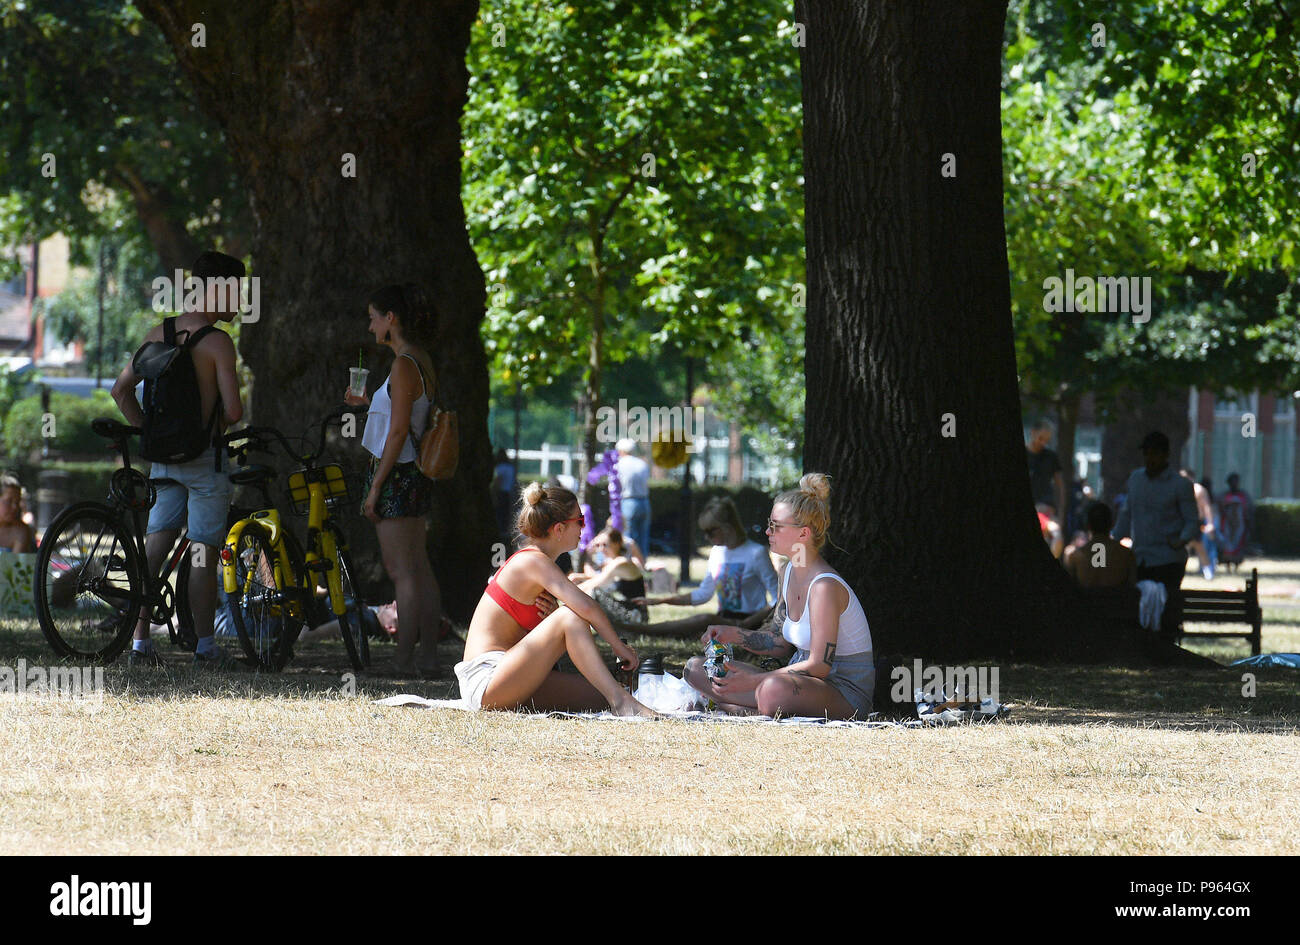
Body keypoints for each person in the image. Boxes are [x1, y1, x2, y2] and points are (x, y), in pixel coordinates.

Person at [111, 250, 245, 669]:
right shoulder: (219, 343)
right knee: (203, 552)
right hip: (205, 462)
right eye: (235, 292)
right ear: (217, 290)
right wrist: (210, 427)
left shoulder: (157, 332)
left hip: (163, 461)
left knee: (156, 545)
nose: (239, 303)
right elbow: (236, 412)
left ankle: (139, 642)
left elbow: (120, 391)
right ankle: (205, 648)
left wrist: (148, 433)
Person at [684, 474, 874, 719]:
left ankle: (735, 706)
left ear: (803, 534)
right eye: (769, 523)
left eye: (776, 526)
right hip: (799, 682)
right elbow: (778, 642)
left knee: (771, 691)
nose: (767, 531)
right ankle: (742, 705)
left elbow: (820, 666)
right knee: (695, 669)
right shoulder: (787, 572)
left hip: (843, 691)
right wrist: (732, 634)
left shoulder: (824, 587)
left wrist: (755, 679)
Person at [455, 482, 655, 716]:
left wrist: (550, 620)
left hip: (509, 674)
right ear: (559, 529)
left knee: (603, 697)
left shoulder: (540, 563)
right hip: (486, 681)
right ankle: (622, 703)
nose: (583, 527)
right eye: (579, 521)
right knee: (570, 615)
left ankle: (620, 700)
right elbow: (586, 607)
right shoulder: (532, 561)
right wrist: (619, 647)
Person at [344, 284, 443, 676]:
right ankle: (429, 657)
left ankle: (404, 661)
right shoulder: (420, 360)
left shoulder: (404, 364)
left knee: (403, 572)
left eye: (373, 317)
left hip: (397, 473)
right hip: (413, 473)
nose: (370, 327)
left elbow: (399, 431)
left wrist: (374, 487)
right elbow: (404, 417)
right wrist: (370, 403)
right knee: (420, 568)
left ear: (391, 319)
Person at [1112, 431, 1199, 640]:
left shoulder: (1180, 485)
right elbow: (1126, 515)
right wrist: (1113, 541)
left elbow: (1192, 521)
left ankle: (1166, 648)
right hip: (1140, 557)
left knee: (1166, 611)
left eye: (1155, 454)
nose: (1150, 459)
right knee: (1139, 609)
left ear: (1165, 455)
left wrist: (1181, 540)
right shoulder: (1135, 479)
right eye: (1147, 454)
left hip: (1168, 559)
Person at [636, 496, 778, 621]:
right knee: (698, 622)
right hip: (724, 618)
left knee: (703, 620)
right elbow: (703, 594)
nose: (706, 537)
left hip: (750, 620)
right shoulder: (717, 552)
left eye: (710, 531)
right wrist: (661, 601)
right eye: (704, 532)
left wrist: (749, 622)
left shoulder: (756, 553)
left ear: (727, 527)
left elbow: (777, 598)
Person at [576, 527, 647, 624]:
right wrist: (579, 576)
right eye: (597, 545)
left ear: (617, 544)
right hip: (626, 610)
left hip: (636, 616)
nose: (601, 549)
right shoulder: (609, 563)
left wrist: (566, 593)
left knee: (594, 592)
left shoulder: (621, 562)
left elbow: (596, 583)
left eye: (605, 545)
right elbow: (597, 576)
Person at [1063, 502, 1136, 588]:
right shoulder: (1126, 555)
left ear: (1088, 525)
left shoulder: (1075, 557)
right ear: (1112, 524)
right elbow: (1132, 588)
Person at [1026, 419, 1067, 530]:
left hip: (1046, 506)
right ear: (1033, 432)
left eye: (1047, 441)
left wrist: (1061, 515)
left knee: (1055, 535)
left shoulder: (1051, 457)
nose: (1043, 443)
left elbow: (1060, 487)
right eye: (1041, 438)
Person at [615, 438, 651, 559]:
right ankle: (643, 563)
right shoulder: (642, 464)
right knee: (643, 537)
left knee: (628, 537)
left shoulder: (619, 464)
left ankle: (629, 562)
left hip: (628, 501)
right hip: (644, 501)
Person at [1180, 468, 1217, 580]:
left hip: (1196, 522)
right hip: (1182, 522)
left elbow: (1206, 507)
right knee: (1181, 549)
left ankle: (1208, 572)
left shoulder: (1199, 490)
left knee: (1199, 547)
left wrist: (1210, 523)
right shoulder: (1178, 490)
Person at [1218, 473, 1252, 572]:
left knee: (1238, 544)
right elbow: (1221, 509)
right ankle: (1227, 565)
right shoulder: (1224, 495)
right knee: (1228, 545)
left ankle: (1236, 565)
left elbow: (1248, 510)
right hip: (1227, 525)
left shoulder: (1243, 495)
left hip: (1239, 525)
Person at [0, 474, 36, 551]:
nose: (15, 507)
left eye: (17, 502)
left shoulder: (21, 531)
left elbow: (17, 562)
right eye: (9, 501)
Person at [491, 449, 516, 540]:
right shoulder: (511, 468)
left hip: (500, 493)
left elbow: (498, 482)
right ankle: (505, 532)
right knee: (506, 513)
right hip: (508, 493)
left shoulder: (499, 468)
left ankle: (500, 531)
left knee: (499, 513)